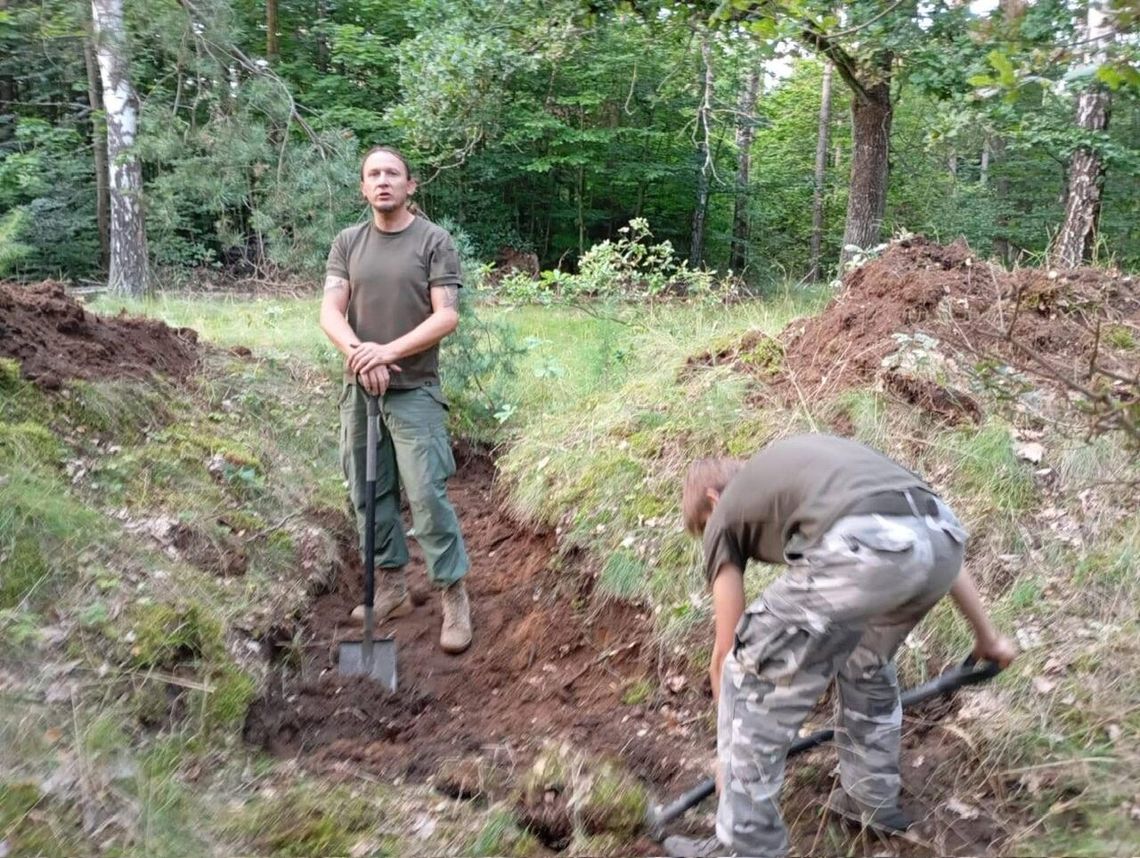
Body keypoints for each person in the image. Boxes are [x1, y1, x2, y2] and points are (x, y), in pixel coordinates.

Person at [664, 434, 1018, 858]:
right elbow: (926, 541)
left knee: (748, 672)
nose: (710, 536)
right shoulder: (810, 474)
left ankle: (745, 845)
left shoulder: (727, 511)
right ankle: (871, 801)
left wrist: (728, 754)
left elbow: (727, 651)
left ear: (712, 497)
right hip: (940, 537)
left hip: (863, 550)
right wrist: (987, 636)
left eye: (703, 526)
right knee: (864, 660)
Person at [319, 145, 472, 655]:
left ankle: (452, 592)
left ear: (410, 185)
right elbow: (330, 311)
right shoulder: (347, 243)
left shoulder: (434, 242)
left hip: (416, 391)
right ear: (363, 188)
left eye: (393, 174)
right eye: (373, 174)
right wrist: (363, 355)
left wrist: (389, 351)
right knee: (368, 494)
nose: (383, 181)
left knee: (427, 494)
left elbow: (445, 316)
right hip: (359, 391)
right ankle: (392, 587)